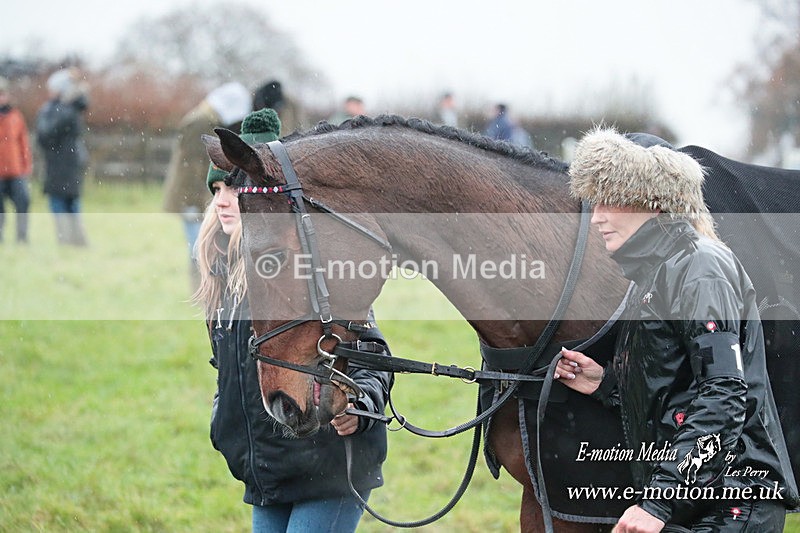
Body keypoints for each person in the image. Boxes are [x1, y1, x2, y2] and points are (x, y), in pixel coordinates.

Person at [556, 127, 798, 531]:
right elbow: (680, 387)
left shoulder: (700, 268)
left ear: (655, 201)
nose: (596, 216)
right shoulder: (653, 275)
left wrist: (658, 502)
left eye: (610, 199)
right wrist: (609, 384)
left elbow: (725, 393)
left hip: (732, 505)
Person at [194, 108, 391, 532]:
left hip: (331, 468)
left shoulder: (305, 270)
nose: (224, 199)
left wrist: (361, 406)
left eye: (232, 187)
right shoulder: (219, 278)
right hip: (267, 471)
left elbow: (372, 353)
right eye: (216, 189)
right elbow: (224, 370)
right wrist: (223, 420)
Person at [163, 81, 251, 289]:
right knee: (199, 247)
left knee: (203, 244)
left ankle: (207, 288)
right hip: (190, 196)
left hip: (195, 194)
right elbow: (191, 166)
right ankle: (202, 290)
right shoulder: (200, 122)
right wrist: (193, 201)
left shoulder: (206, 119)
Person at [35, 67, 90, 246]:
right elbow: (44, 135)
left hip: (68, 165)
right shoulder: (60, 109)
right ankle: (66, 240)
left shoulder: (66, 109)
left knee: (70, 203)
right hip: (57, 165)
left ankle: (74, 241)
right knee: (62, 203)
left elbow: (48, 133)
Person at [0, 76, 32, 244]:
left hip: (15, 170)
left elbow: (23, 143)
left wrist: (25, 166)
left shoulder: (15, 116)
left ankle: (22, 237)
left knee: (23, 202)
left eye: (2, 93)